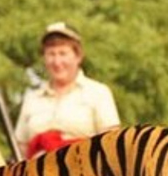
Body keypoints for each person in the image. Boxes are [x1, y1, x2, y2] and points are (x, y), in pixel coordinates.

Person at [14, 22, 120, 158]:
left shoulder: (98, 93)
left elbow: (111, 148)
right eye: (51, 54)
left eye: (63, 53)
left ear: (78, 57)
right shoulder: (32, 98)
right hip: (35, 174)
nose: (57, 62)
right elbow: (20, 148)